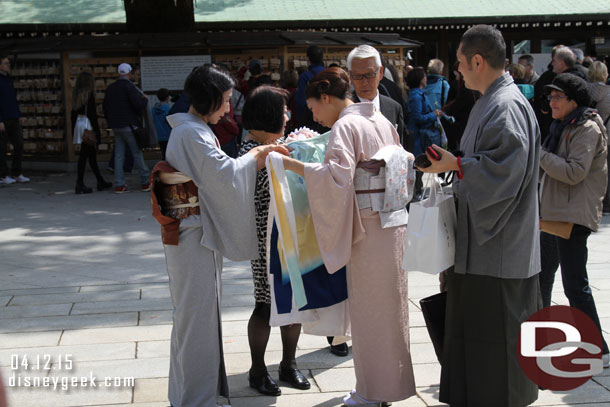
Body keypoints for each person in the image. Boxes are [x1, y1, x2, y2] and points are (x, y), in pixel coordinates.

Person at [418, 24, 541, 406]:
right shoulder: (492, 100)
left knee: (497, 349)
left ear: (477, 60)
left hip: (497, 250)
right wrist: (457, 166)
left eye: (460, 63)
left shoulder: (504, 106)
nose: (458, 71)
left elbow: (504, 171)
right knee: (482, 347)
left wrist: (460, 165)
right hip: (485, 248)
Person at [281, 67, 416, 406]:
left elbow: (336, 179)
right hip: (392, 224)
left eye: (314, 108)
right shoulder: (381, 120)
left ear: (326, 98)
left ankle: (371, 392)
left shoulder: (346, 124)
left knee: (371, 313)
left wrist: (296, 166)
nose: (314, 116)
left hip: (368, 229)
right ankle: (388, 385)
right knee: (391, 310)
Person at [155, 65, 288, 407]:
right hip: (190, 232)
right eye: (226, 100)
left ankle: (192, 395)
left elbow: (218, 176)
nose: (229, 108)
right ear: (211, 98)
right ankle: (197, 400)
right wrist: (257, 155)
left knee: (193, 317)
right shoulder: (191, 134)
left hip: (190, 228)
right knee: (196, 318)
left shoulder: (192, 130)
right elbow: (223, 177)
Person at [237, 85, 310, 396]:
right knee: (265, 303)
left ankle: (289, 364)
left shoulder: (282, 146)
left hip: (293, 237)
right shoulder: (249, 153)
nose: (287, 115)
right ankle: (257, 369)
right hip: (265, 243)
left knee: (295, 300)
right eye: (282, 110)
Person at [539, 73, 609, 366]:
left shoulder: (588, 127)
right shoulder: (562, 125)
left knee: (574, 284)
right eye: (550, 96)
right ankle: (540, 338)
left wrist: (539, 156)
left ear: (573, 101)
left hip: (573, 216)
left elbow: (574, 172)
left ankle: (598, 348)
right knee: (541, 278)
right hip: (554, 213)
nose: (551, 102)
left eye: (557, 97)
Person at [102, 62, 150, 193]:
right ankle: (145, 181)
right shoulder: (130, 87)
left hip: (116, 126)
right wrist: (145, 100)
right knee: (136, 152)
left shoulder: (111, 88)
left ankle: (119, 184)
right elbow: (138, 105)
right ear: (129, 73)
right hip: (129, 125)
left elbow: (105, 107)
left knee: (118, 155)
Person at [348, 45, 407, 149]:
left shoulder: (394, 108)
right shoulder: (344, 109)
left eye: (370, 74)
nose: (364, 82)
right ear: (350, 76)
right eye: (357, 76)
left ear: (380, 73)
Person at [71, 71, 112, 194]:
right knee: (85, 156)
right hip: (88, 126)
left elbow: (73, 113)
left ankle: (99, 180)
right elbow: (92, 115)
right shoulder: (89, 95)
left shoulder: (76, 95)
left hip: (80, 125)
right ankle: (80, 184)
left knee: (90, 155)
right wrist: (97, 133)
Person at [406, 67, 443, 199]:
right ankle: (416, 193)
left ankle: (418, 192)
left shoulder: (420, 94)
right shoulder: (416, 96)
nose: (426, 78)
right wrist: (433, 115)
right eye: (424, 76)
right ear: (420, 79)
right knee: (418, 167)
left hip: (421, 136)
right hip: (418, 137)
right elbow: (417, 118)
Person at [0, 55, 29, 185]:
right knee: (2, 147)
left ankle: (16, 173)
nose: (8, 65)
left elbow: (13, 99)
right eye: (6, 63)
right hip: (3, 119)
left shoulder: (9, 80)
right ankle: (2, 175)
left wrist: (19, 114)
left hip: (13, 117)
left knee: (19, 145)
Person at [588, 61, 610, 215]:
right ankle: (606, 203)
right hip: (606, 134)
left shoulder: (585, 91)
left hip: (587, 135)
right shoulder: (609, 93)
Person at [442, 61, 478, 151]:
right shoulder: (473, 89)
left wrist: (445, 109)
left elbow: (454, 108)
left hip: (463, 128)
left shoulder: (467, 90)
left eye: (457, 75)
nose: (456, 78)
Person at [295, 46, 325, 126]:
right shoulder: (330, 74)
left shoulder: (305, 76)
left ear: (308, 58)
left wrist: (301, 122)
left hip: (311, 117)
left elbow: (301, 101)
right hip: (328, 115)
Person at [152, 88, 172, 160]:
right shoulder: (168, 109)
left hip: (159, 135)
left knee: (163, 153)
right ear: (168, 97)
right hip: (168, 135)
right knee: (170, 155)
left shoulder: (154, 109)